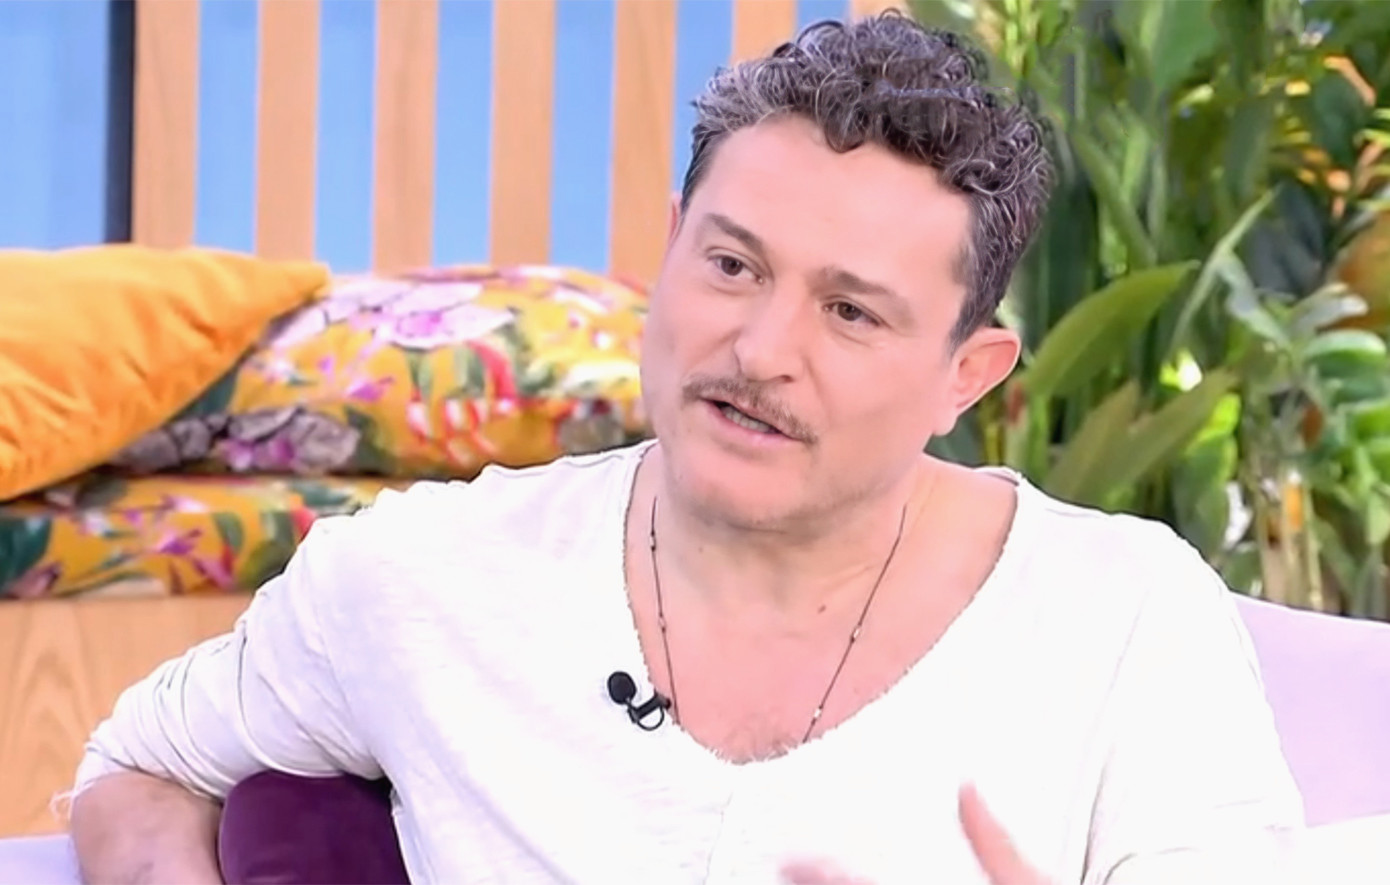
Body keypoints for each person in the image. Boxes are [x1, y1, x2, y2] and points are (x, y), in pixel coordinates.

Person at [67, 12, 1304, 885]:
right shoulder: (419, 578)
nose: (760, 349)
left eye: (850, 312)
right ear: (669, 250)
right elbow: (134, 771)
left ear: (963, 376)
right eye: (731, 265)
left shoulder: (1126, 620)